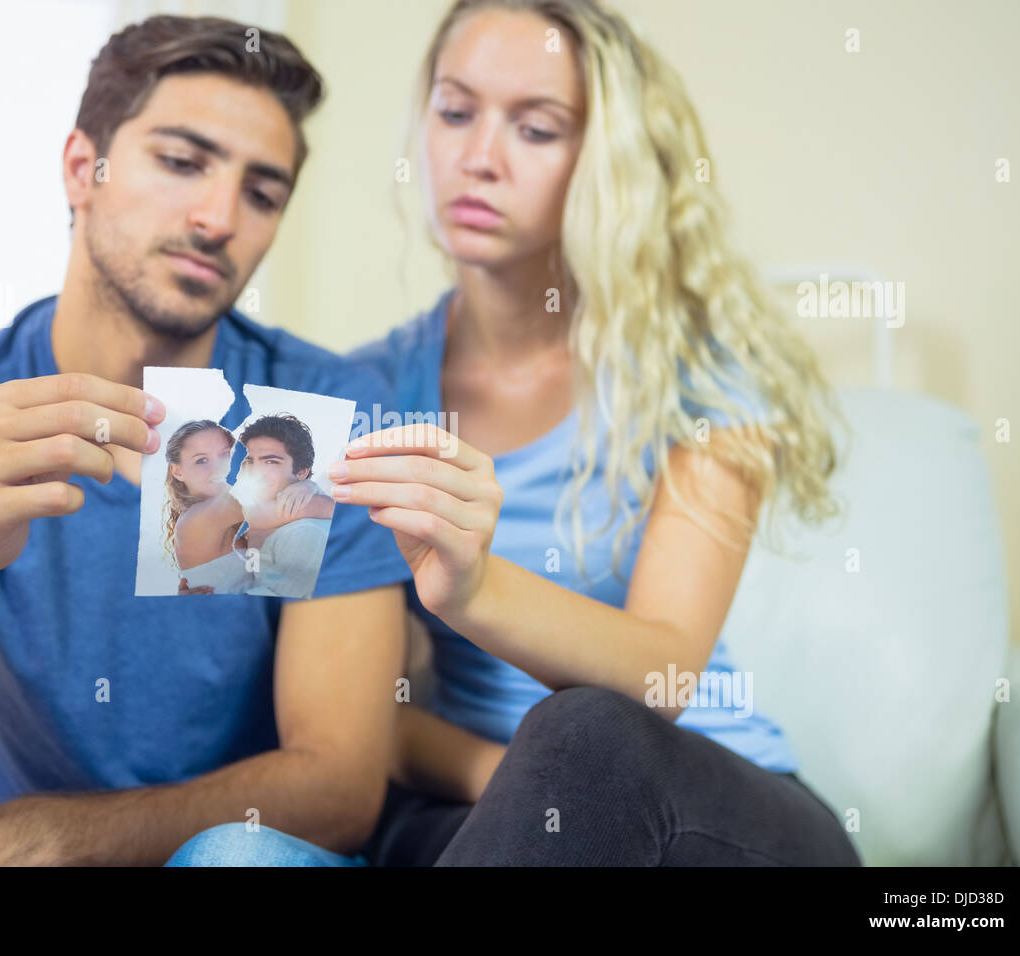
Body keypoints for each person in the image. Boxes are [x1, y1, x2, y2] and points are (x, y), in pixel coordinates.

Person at [174, 0, 861, 866]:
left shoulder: (701, 373)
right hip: (489, 808)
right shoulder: (363, 393)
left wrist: (474, 590)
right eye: (456, 112)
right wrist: (523, 777)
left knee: (585, 729)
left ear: (603, 162)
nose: (479, 158)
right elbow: (362, 717)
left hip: (709, 810)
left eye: (536, 129)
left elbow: (665, 675)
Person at [0, 15, 410, 866]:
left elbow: (338, 787)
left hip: (203, 854)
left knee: (240, 859)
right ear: (81, 170)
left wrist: (59, 837)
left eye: (262, 192)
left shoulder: (324, 411)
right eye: (181, 162)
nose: (218, 217)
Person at [163, 419, 325, 595]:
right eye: (202, 460)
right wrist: (308, 487)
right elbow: (311, 507)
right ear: (177, 471)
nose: (219, 467)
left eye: (225, 455)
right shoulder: (198, 518)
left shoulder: (233, 522)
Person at [235, 415, 335, 599]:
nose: (255, 471)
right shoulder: (253, 521)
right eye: (250, 461)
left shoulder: (303, 533)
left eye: (271, 462)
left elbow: (275, 602)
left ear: (302, 472)